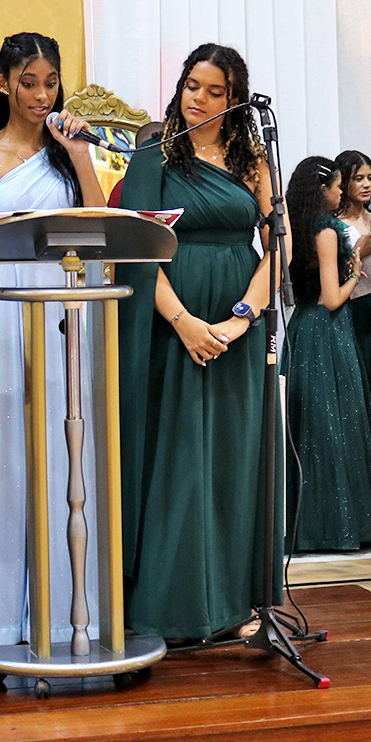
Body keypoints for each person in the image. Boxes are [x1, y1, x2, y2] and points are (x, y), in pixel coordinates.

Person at [0, 32, 106, 646]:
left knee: (68, 445)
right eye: (29, 82)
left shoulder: (68, 154)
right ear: (3, 83)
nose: (42, 95)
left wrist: (80, 154)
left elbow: (100, 225)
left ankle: (67, 612)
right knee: (4, 453)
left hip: (65, 305)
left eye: (51, 83)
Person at [114, 43, 275, 640]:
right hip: (169, 322)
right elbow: (136, 248)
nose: (199, 99)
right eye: (192, 86)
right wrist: (183, 322)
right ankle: (171, 606)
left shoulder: (254, 161)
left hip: (236, 327)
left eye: (214, 91)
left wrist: (241, 318)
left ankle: (231, 603)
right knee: (179, 459)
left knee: (231, 460)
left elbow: (277, 249)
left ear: (235, 101)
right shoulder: (153, 152)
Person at [283, 157, 371, 551]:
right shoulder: (327, 229)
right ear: (323, 190)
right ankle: (341, 527)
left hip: (302, 328)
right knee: (337, 428)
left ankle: (304, 525)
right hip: (328, 331)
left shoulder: (296, 226)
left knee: (309, 430)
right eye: (336, 184)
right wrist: (353, 273)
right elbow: (332, 299)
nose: (340, 190)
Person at [333, 149, 371, 410]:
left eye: (370, 178)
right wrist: (357, 253)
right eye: (358, 179)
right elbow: (329, 274)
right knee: (363, 377)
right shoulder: (332, 224)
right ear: (343, 181)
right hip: (356, 308)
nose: (367, 184)